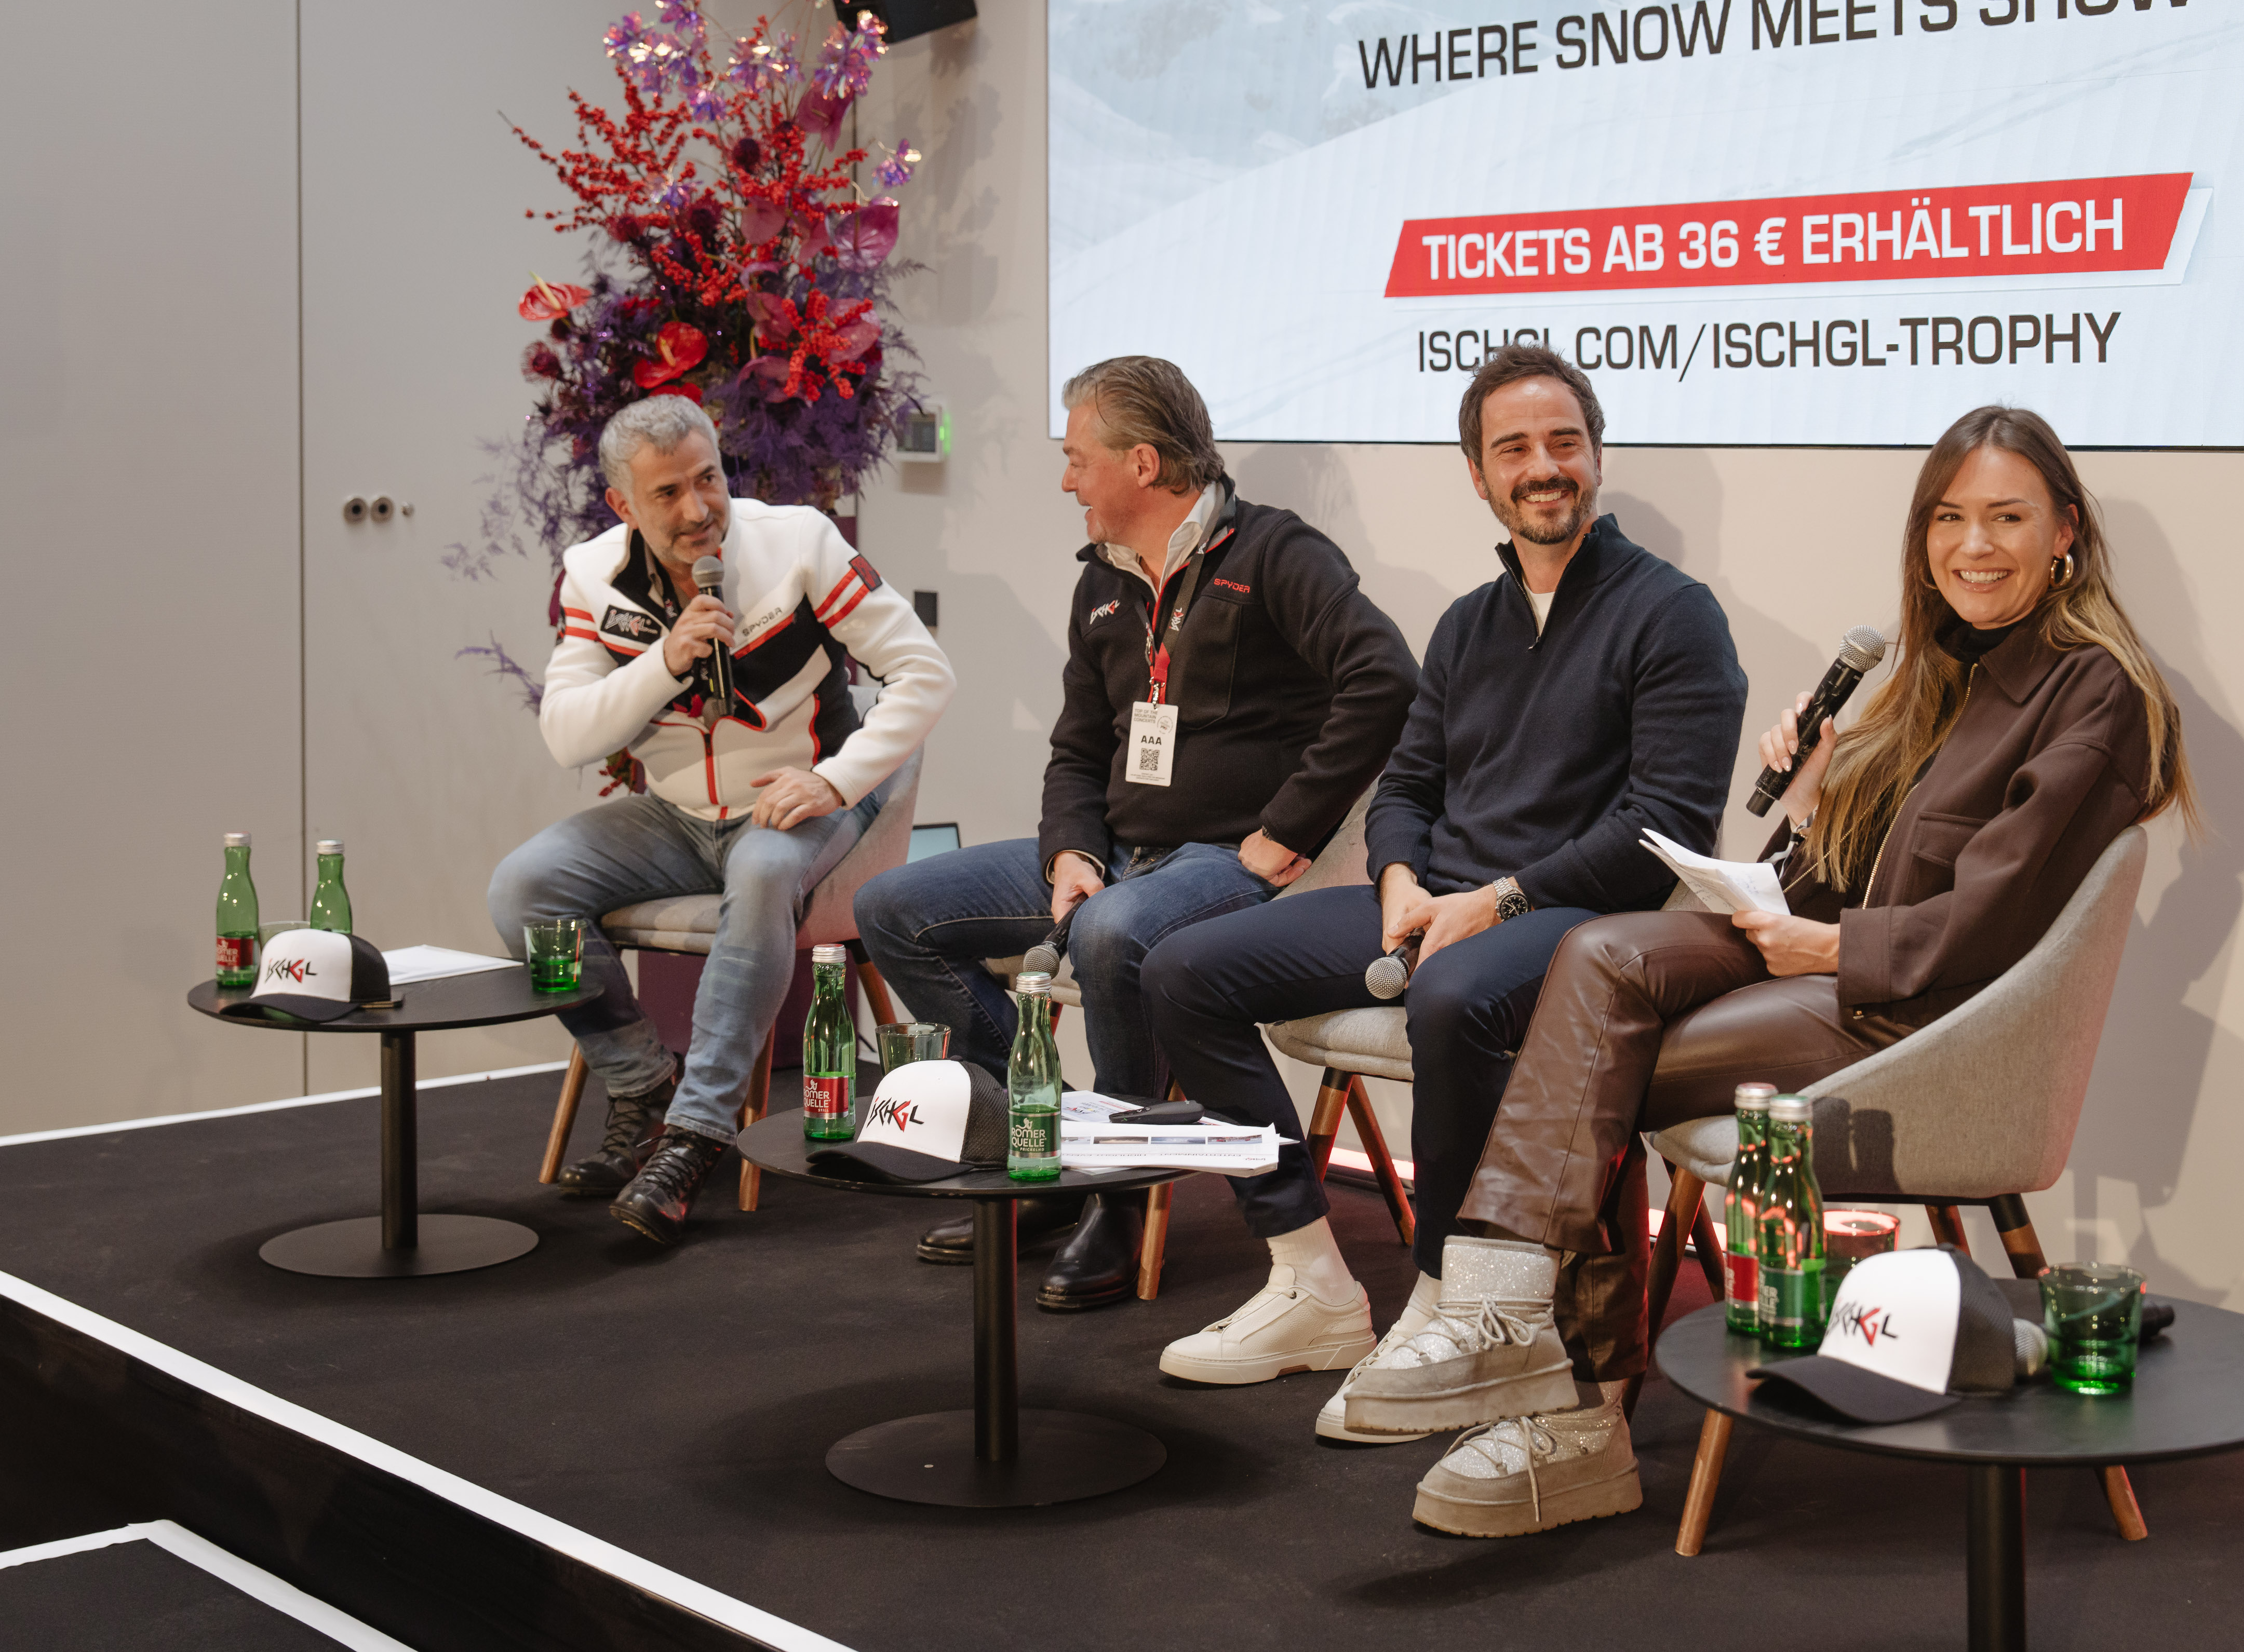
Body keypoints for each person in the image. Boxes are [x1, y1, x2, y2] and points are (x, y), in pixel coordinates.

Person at [1359, 403, 2196, 1536]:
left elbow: (1996, 912)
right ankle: (1510, 1323)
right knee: (1596, 953)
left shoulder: (2096, 689)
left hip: (1928, 1014)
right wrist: (1811, 799)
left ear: (2065, 533)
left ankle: (1572, 1405)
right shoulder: (1937, 675)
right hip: (1842, 969)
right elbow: (1823, 882)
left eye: (2007, 517)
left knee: (1580, 1055)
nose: (1974, 546)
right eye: (1948, 518)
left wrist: (1837, 948)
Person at [1137, 345, 1746, 1420]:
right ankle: (1311, 1279)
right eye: (1513, 449)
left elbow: (1664, 827)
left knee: (1453, 995)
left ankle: (1444, 1298)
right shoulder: (1470, 620)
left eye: (1563, 442)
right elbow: (1408, 783)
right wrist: (1399, 878)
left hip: (1580, 915)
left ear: (1597, 457)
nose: (1543, 466)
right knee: (1181, 968)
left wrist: (1497, 900)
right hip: (1440, 899)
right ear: (1478, 475)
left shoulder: (1673, 613)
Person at [852, 356, 1419, 1309]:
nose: (1066, 480)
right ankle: (1037, 1138)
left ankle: (1114, 1195)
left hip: (1227, 862)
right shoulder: (1103, 583)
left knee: (1115, 932)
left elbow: (1387, 680)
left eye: (1079, 459)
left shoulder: (1277, 554)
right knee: (894, 906)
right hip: (1118, 852)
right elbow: (1077, 747)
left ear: (1144, 464)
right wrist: (1070, 851)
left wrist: (1290, 828)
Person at [488, 394, 952, 1246]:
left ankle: (696, 1134)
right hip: (677, 816)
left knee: (764, 870)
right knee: (522, 890)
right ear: (623, 504)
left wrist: (835, 779)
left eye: (709, 479)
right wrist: (665, 661)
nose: (699, 508)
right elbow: (567, 736)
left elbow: (925, 673)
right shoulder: (592, 574)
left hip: (798, 804)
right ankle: (640, 1083)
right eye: (668, 493)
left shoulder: (799, 542)